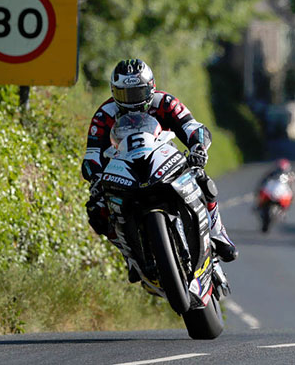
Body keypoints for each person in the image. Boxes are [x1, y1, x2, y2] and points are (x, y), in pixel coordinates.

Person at [81, 59, 238, 281]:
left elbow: (193, 127)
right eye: (126, 95)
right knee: (97, 211)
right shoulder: (104, 114)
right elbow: (91, 155)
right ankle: (130, 256)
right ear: (114, 92)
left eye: (138, 92)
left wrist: (198, 148)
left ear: (151, 87)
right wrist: (96, 178)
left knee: (201, 178)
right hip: (123, 171)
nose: (132, 101)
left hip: (164, 161)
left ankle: (217, 233)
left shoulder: (164, 101)